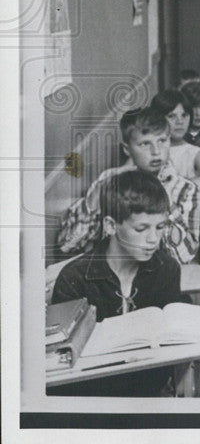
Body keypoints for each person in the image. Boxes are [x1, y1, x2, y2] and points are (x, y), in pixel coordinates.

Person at [50, 169, 187, 396]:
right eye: (141, 229)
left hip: (148, 391)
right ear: (111, 225)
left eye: (160, 227)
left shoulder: (167, 269)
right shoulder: (74, 278)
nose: (153, 239)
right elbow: (62, 363)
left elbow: (169, 345)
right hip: (90, 397)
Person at [58, 108, 200, 266]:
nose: (156, 152)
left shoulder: (185, 189)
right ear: (127, 149)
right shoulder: (109, 180)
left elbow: (184, 256)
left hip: (158, 278)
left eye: (162, 140)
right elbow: (67, 245)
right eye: (145, 143)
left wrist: (167, 202)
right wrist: (92, 203)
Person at [151, 89, 200, 312]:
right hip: (162, 206)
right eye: (172, 116)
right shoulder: (154, 149)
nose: (180, 122)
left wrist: (180, 183)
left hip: (188, 204)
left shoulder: (195, 152)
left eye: (184, 116)